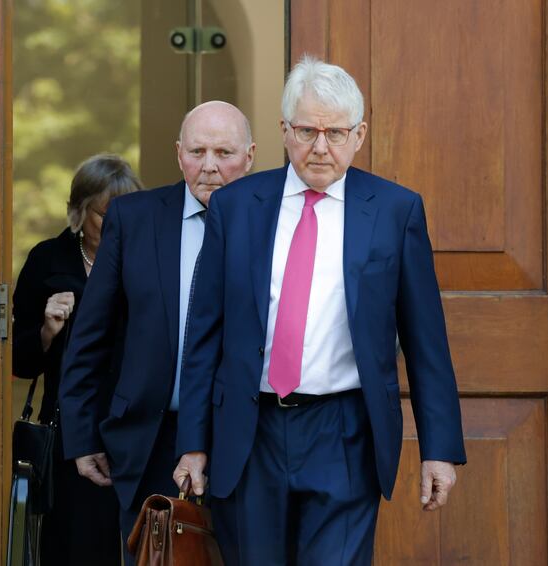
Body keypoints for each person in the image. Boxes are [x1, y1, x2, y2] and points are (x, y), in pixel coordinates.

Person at [173, 56, 467, 565]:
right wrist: (194, 444)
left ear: (360, 134)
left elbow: (425, 341)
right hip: (251, 431)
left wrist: (438, 448)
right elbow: (204, 336)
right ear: (285, 131)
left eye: (336, 132)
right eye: (307, 130)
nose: (321, 147)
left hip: (344, 431)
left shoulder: (395, 211)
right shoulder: (237, 206)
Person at [59, 101, 256, 565]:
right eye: (197, 151)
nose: (209, 166)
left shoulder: (273, 222)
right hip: (148, 440)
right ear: (177, 153)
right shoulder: (134, 218)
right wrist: (81, 434)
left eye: (224, 153)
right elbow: (91, 334)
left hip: (244, 436)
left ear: (250, 156)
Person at [12, 154, 141, 566]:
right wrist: (48, 329)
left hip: (134, 423)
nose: (117, 226)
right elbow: (18, 360)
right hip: (70, 428)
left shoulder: (144, 261)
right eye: (106, 216)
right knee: (73, 544)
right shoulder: (47, 259)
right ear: (80, 211)